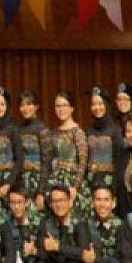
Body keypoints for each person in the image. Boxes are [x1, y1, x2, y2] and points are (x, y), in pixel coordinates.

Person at [43, 91, 89, 223]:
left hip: (73, 180)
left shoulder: (78, 132)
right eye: (58, 106)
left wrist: (75, 186)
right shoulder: (54, 132)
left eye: (64, 105)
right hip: (55, 179)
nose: (61, 109)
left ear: (72, 108)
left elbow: (83, 161)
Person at [85, 86, 122, 218]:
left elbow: (119, 162)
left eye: (100, 103)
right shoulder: (88, 130)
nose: (97, 107)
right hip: (90, 182)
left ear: (106, 105)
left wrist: (116, 189)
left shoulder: (116, 130)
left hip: (109, 182)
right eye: (93, 104)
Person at [16, 91, 48, 210]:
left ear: (36, 106)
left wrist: (41, 191)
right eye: (22, 105)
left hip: (37, 180)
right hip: (22, 180)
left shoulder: (42, 129)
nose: (25, 108)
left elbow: (46, 162)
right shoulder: (19, 129)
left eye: (29, 104)